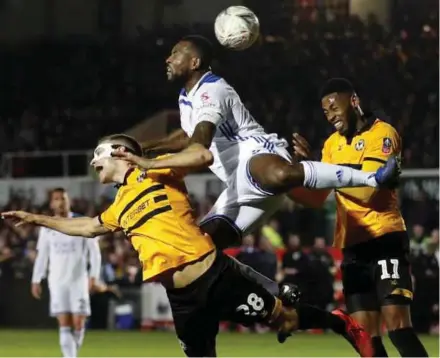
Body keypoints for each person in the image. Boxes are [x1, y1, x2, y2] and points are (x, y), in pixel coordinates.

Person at [3, 134, 373, 357]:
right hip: (181, 300)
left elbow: (201, 155)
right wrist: (38, 220)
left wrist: (148, 156)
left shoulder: (157, 169)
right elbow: (87, 227)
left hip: (214, 277)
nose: (92, 161)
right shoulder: (118, 205)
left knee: (287, 319)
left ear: (117, 151)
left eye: (98, 154)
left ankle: (339, 323)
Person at [139, 35, 399, 303]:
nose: (168, 59)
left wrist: (149, 162)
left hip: (256, 155)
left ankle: (373, 177)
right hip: (237, 187)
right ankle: (276, 293)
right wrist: (143, 147)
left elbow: (199, 147)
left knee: (281, 175)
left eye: (175, 53)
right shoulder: (187, 97)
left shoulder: (211, 90)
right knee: (197, 252)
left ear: (194, 62)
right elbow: (187, 135)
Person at [289, 78, 428, 357]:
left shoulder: (382, 134)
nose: (330, 116)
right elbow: (316, 198)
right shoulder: (331, 145)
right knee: (366, 338)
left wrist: (323, 172)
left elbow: (368, 190)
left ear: (353, 101)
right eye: (325, 112)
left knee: (398, 326)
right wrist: (291, 178)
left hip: (384, 238)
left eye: (334, 107)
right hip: (353, 245)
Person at [31, 188, 101, 358]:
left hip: (78, 280)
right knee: (64, 323)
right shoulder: (47, 226)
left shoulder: (81, 222)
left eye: (63, 198)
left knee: (78, 323)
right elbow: (42, 255)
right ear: (51, 203)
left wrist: (94, 276)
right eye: (57, 199)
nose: (60, 202)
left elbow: (95, 252)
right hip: (57, 281)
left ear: (69, 201)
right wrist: (36, 279)